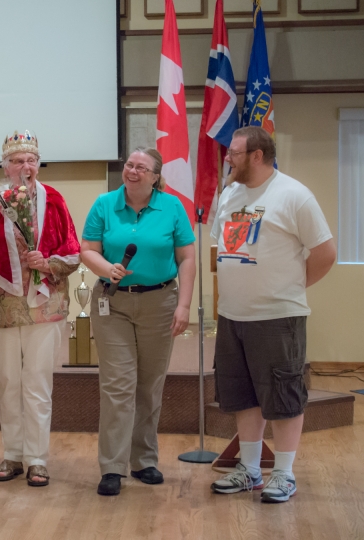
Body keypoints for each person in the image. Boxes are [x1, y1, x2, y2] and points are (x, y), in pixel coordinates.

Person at [210, 126, 336, 503]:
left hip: (278, 318)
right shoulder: (230, 194)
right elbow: (225, 250)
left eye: (233, 153)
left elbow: (325, 253)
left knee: (283, 395)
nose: (227, 159)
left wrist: (288, 291)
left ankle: (283, 473)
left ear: (257, 156)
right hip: (233, 317)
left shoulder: (294, 195)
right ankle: (249, 470)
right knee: (243, 395)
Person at [80, 147, 196, 496]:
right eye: (129, 165)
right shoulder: (104, 204)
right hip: (112, 302)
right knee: (117, 385)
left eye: (141, 168)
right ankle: (112, 466)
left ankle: (144, 460)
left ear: (156, 177)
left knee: (149, 385)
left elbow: (187, 258)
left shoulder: (172, 207)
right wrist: (105, 268)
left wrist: (184, 305)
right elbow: (87, 248)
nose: (132, 171)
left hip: (161, 302)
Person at [0, 131, 80, 487]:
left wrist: (46, 262)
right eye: (18, 161)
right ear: (6, 167)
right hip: (5, 306)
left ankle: (37, 458)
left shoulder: (54, 199)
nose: (26, 167)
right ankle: (12, 454)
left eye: (31, 160)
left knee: (37, 383)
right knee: (7, 382)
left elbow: (73, 253)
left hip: (44, 306)